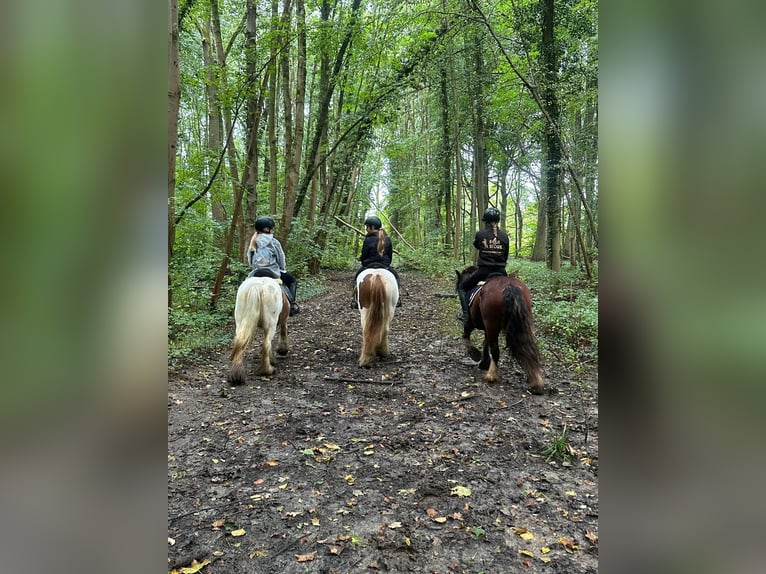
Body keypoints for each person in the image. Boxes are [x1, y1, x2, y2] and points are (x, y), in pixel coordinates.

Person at [457, 207, 509, 323]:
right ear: (498, 220)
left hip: (484, 271)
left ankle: (466, 315)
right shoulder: (505, 236)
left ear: (485, 221)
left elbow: (477, 246)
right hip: (501, 272)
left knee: (462, 287)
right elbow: (505, 256)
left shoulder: (480, 234)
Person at [247, 215, 300, 316]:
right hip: (273, 272)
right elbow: (281, 258)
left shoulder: (252, 242)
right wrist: (282, 269)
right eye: (271, 228)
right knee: (292, 281)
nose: (272, 230)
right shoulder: (274, 242)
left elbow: (250, 259)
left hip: (256, 272)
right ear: (267, 229)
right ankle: (292, 306)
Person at [351, 215, 401, 308]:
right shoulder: (388, 239)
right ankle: (398, 299)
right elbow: (389, 256)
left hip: (369, 265)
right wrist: (386, 263)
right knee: (396, 278)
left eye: (367, 227)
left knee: (356, 278)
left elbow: (364, 255)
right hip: (384, 265)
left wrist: (363, 261)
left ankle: (354, 299)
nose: (366, 229)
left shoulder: (367, 239)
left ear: (372, 227)